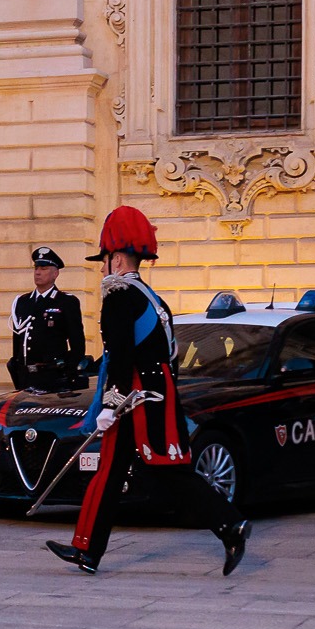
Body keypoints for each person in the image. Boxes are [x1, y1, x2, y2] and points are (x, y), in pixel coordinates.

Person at [46, 206, 250, 577]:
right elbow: (167, 353)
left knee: (164, 473)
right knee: (114, 470)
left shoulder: (119, 294)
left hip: (135, 397)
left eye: (103, 261)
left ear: (116, 259)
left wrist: (110, 403)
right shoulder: (151, 296)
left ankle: (230, 523)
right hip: (153, 392)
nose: (101, 269)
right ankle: (87, 550)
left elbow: (121, 354)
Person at [8, 245, 87, 391]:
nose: (38, 272)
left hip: (52, 376)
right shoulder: (22, 302)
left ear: (55, 273)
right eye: (36, 268)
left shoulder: (66, 302)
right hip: (26, 377)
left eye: (43, 268)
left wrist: (68, 372)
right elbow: (18, 341)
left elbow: (78, 344)